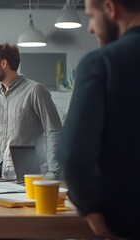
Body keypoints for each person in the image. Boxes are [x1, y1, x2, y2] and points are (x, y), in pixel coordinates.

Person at [59, 0, 140, 239]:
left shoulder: (100, 63)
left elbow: (73, 156)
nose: (91, 28)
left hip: (127, 223)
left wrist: (92, 212)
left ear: (111, 8)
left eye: (91, 16)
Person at [0, 43, 62, 180]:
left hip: (26, 173)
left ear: (3, 63)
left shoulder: (35, 91)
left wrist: (54, 173)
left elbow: (54, 130)